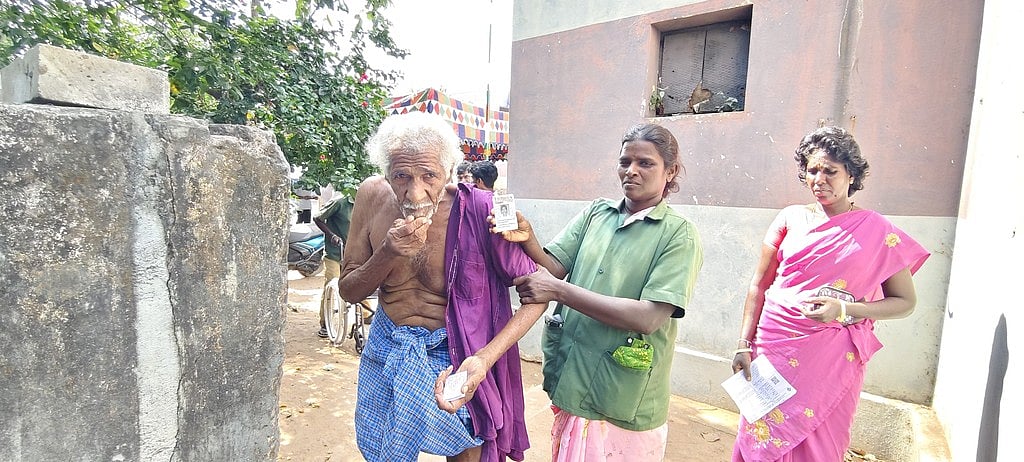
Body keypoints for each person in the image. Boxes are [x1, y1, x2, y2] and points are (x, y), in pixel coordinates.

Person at [339, 111, 547, 462]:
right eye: (401, 176)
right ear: (386, 173)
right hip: (388, 344)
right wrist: (387, 252)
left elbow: (539, 294)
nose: (415, 192)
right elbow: (349, 290)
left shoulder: (482, 209)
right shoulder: (371, 196)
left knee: (467, 449)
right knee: (383, 450)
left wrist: (483, 359)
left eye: (429, 176)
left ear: (450, 172)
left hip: (456, 353)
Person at [505, 122, 704, 461]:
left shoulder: (678, 235)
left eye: (645, 163)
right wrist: (528, 237)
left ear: (670, 172)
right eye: (625, 161)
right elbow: (553, 266)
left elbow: (648, 318)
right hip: (575, 374)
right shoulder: (597, 213)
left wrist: (560, 292)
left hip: (621, 394)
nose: (632, 171)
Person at [729, 126, 930, 461]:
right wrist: (743, 344)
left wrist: (846, 310)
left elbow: (905, 302)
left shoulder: (878, 230)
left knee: (821, 441)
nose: (819, 180)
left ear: (851, 174)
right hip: (775, 346)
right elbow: (759, 285)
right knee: (763, 435)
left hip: (832, 356)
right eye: (812, 171)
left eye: (830, 171)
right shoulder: (790, 218)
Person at [313, 193, 354, 338]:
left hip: (353, 254)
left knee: (361, 281)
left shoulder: (366, 202)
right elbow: (317, 218)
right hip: (335, 253)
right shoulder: (340, 202)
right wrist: (331, 235)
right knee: (332, 284)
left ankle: (367, 313)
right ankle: (325, 323)